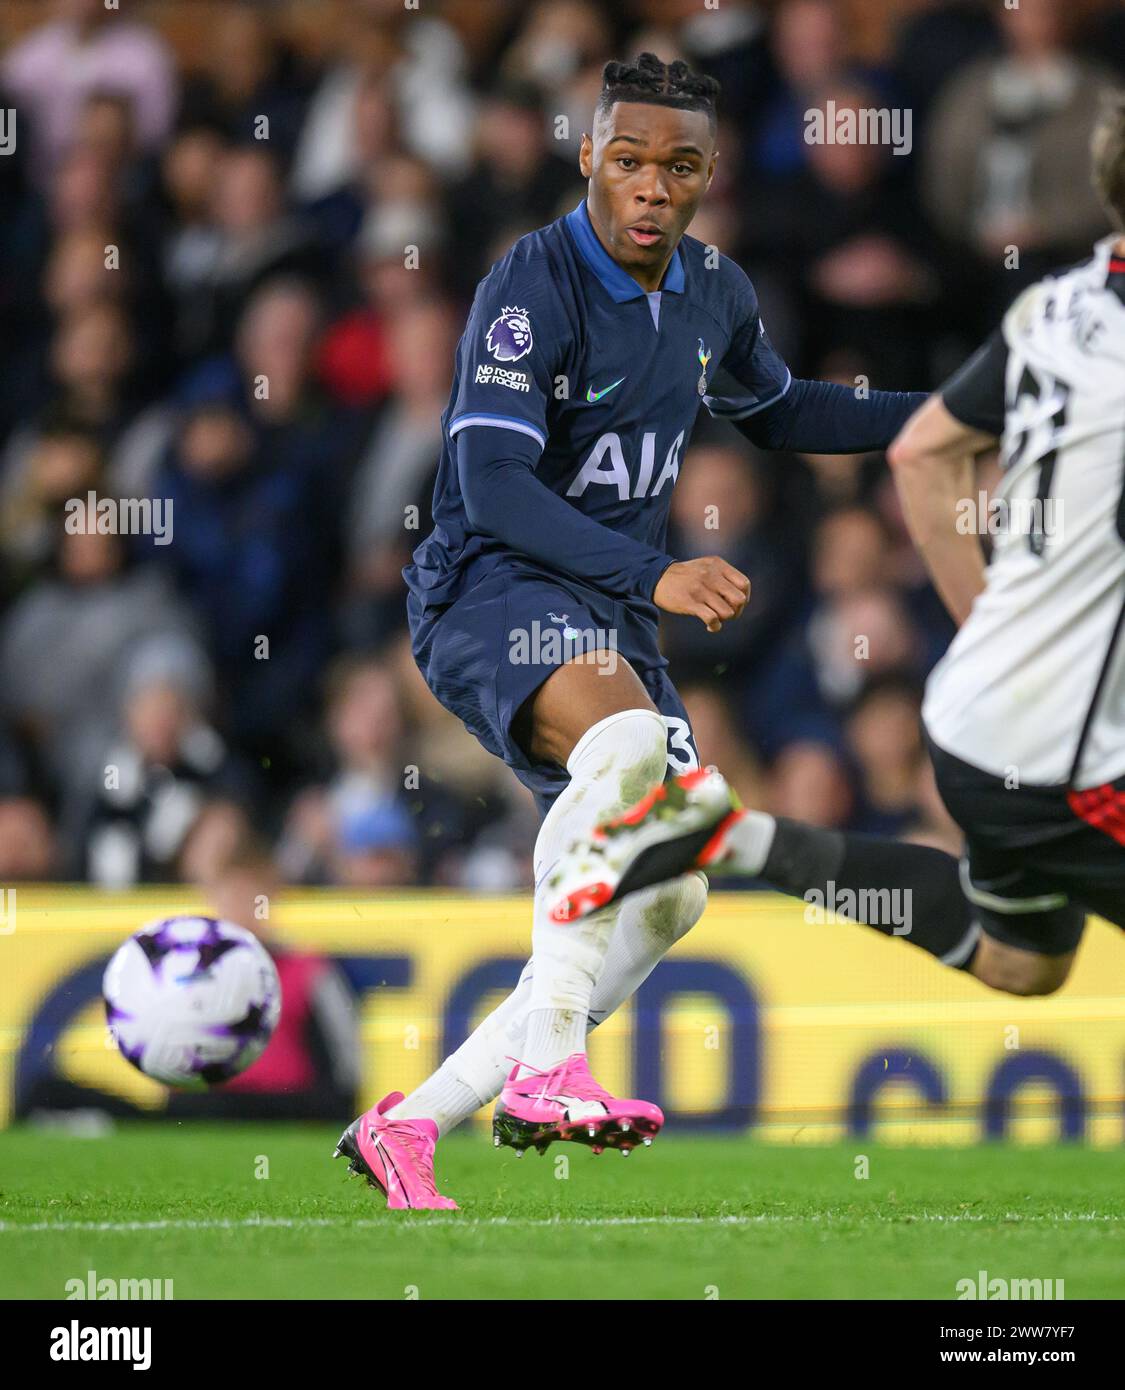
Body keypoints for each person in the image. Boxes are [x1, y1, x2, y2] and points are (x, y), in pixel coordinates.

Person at [334, 54, 926, 1210]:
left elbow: (788, 406)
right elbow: (494, 485)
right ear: (590, 160)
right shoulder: (529, 284)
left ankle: (410, 1124)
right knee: (625, 754)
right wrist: (655, 574)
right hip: (492, 586)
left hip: (602, 607)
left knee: (673, 882)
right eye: (630, 160)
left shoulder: (714, 290)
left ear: (710, 176)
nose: (653, 187)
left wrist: (945, 414)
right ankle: (550, 1067)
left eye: (681, 166)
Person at [550, 93, 1125, 1014]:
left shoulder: (1052, 309)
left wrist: (985, 631)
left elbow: (922, 449)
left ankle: (736, 838)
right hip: (1067, 744)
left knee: (1022, 960)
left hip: (986, 716)